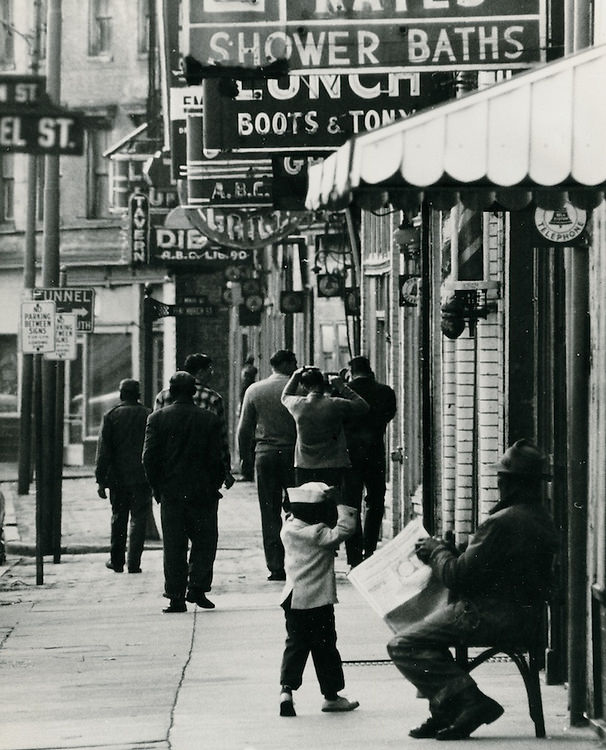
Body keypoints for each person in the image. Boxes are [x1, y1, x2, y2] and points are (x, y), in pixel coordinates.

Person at [387, 439, 559, 741]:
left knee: (404, 644)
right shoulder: (541, 519)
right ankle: (446, 710)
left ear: (510, 483)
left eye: (501, 480)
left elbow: (457, 576)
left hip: (488, 615)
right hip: (523, 616)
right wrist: (452, 552)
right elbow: (486, 568)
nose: (498, 485)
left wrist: (435, 552)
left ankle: (471, 703)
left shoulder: (502, 522)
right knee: (426, 631)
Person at [143, 372, 225, 613]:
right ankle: (198, 588)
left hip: (171, 492)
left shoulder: (157, 419)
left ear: (170, 391)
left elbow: (148, 458)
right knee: (204, 542)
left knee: (174, 545)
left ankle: (176, 595)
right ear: (193, 391)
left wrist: (157, 487)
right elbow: (217, 457)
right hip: (203, 492)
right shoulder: (209, 420)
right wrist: (215, 483)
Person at [278, 482, 360, 717]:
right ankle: (331, 696)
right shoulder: (318, 533)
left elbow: (291, 512)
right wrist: (340, 502)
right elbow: (346, 529)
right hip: (318, 601)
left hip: (293, 598)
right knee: (325, 648)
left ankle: (286, 690)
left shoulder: (288, 529)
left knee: (295, 645)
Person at [237, 349, 298, 581]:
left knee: (269, 510)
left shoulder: (255, 390)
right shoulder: (299, 388)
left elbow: (244, 429)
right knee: (298, 509)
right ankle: (297, 558)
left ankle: (275, 565)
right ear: (288, 363)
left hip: (266, 455)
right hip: (295, 455)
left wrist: (245, 458)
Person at [281, 366, 369, 495]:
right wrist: (342, 387)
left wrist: (296, 375)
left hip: (304, 465)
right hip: (334, 465)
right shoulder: (335, 404)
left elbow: (285, 396)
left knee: (307, 505)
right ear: (323, 384)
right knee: (331, 508)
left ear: (304, 386)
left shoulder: (297, 405)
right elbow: (363, 406)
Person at [343, 356, 397, 567]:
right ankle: (370, 549)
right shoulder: (385, 392)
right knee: (375, 501)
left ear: (352, 371)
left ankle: (354, 555)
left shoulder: (345, 391)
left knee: (351, 504)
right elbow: (388, 415)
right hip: (375, 452)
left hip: (350, 455)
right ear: (370, 371)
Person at [95, 379, 152, 574]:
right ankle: (134, 562)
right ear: (138, 395)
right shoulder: (148, 414)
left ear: (121, 394)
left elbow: (103, 451)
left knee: (119, 517)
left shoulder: (111, 416)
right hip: (142, 477)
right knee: (139, 518)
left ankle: (117, 560)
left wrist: (100, 480)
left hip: (118, 478)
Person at [155, 353, 235, 489]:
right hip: (203, 466)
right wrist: (225, 469)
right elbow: (220, 438)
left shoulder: (163, 396)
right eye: (210, 369)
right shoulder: (213, 398)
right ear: (200, 372)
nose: (212, 373)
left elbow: (155, 434)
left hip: (171, 466)